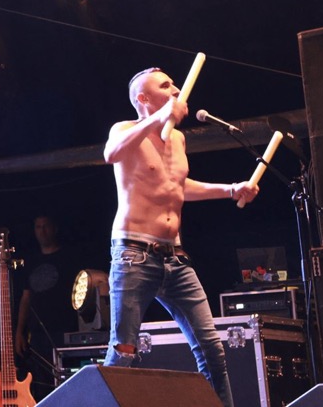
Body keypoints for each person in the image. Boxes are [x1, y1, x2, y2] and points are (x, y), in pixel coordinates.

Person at [101, 67, 259, 407]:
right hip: (134, 253)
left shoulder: (177, 139)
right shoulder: (125, 130)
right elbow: (111, 154)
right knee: (124, 351)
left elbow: (177, 186)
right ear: (143, 99)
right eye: (165, 85)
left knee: (212, 349)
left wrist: (231, 189)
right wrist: (156, 119)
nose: (175, 90)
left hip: (175, 257)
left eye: (174, 84)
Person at [14, 214, 90, 400]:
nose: (42, 231)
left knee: (68, 383)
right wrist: (19, 332)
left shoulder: (69, 258)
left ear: (54, 228)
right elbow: (26, 298)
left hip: (66, 330)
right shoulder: (31, 262)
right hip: (38, 335)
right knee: (42, 384)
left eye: (46, 226)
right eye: (38, 227)